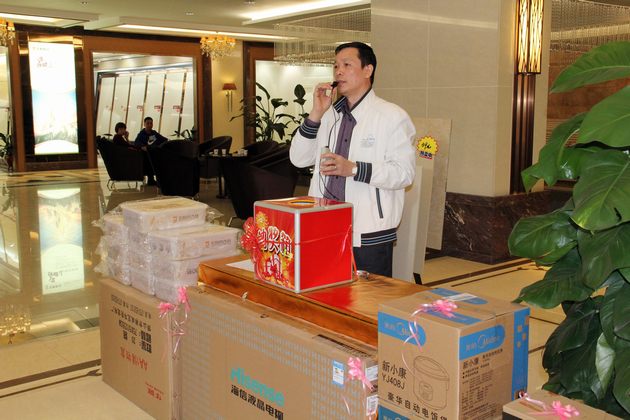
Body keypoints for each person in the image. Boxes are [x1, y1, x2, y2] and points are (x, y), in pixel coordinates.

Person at [290, 42, 416, 277]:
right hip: (325, 225)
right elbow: (298, 159)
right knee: (326, 290)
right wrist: (316, 113)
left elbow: (404, 173)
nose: (339, 71)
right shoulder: (328, 115)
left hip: (369, 232)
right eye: (335, 66)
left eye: (347, 65)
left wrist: (354, 169)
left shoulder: (392, 116)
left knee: (369, 297)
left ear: (368, 70)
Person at [134, 117, 167, 186]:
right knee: (149, 159)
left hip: (154, 153)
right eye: (148, 123)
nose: (149, 125)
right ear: (144, 124)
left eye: (151, 123)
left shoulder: (154, 133)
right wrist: (142, 147)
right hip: (145, 155)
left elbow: (164, 140)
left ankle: (160, 179)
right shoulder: (141, 134)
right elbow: (136, 143)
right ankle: (151, 179)